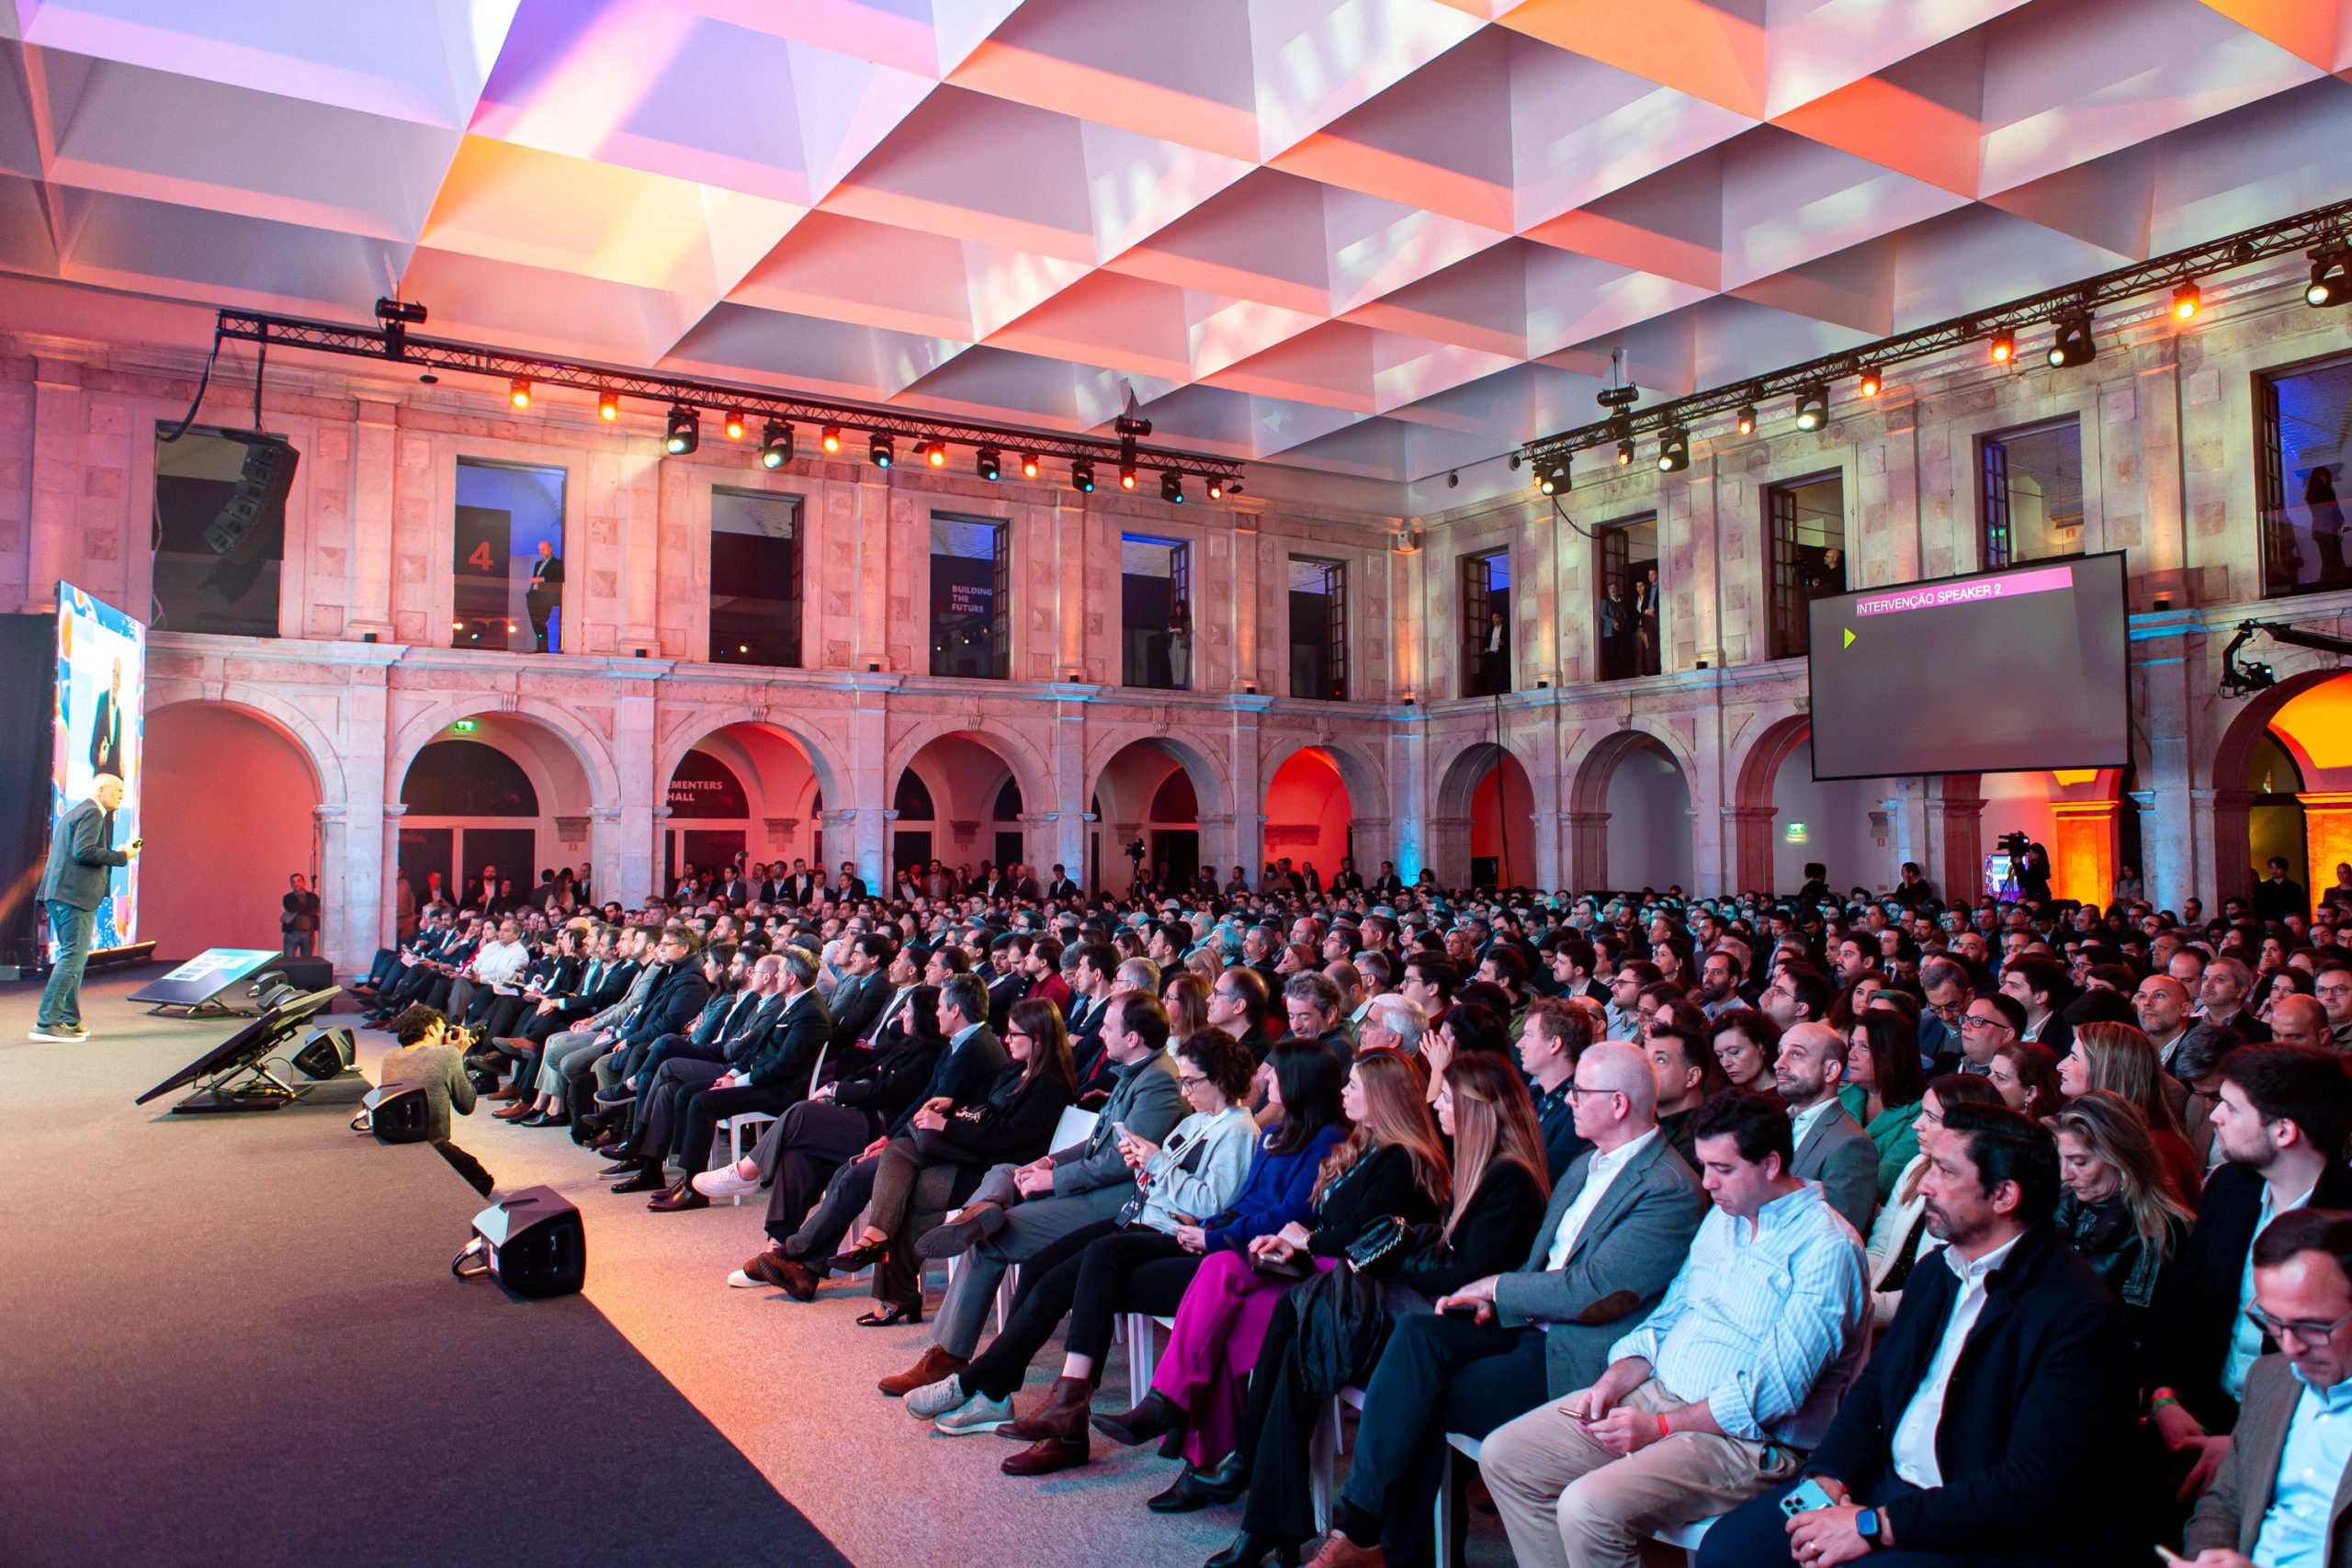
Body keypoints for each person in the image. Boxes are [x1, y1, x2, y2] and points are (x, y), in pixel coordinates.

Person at [1697, 1103, 2148, 1568]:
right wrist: (1828, 1474)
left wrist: (1874, 1525)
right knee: (1728, 1551)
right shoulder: (1939, 1271)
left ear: (2004, 1195)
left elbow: (2031, 1487)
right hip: (1886, 1488)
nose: (1925, 1184)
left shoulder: (2079, 1316)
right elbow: (1875, 1390)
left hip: (1974, 1525)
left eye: (1945, 1171)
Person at [1476, 1089, 1872, 1568]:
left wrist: (1660, 1426)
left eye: (1723, 1170)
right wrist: (1612, 1381)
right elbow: (1666, 1316)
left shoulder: (1827, 1248)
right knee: (1507, 1456)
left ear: (1770, 1164)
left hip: (1747, 1443)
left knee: (1589, 1506)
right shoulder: (1724, 1219)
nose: (1707, 1183)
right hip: (1659, 1394)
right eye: (1704, 1166)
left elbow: (1776, 1393)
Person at [1210, 1052, 1555, 1568]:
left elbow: (1468, 1277)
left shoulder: (1507, 1180)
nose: (1437, 1104)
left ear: (1476, 1111)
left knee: (1303, 1325)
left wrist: (1376, 1272)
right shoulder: (1477, 1169)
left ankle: (1267, 1508)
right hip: (1428, 1316)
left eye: (1447, 1099)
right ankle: (1266, 1508)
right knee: (1302, 1326)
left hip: (1459, 1325)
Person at [1088, 1047, 1449, 1509]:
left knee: (1220, 1302)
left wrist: (1302, 1238)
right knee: (1215, 1299)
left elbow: (1354, 1233)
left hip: (1343, 1292)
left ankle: (1184, 1430)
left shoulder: (1392, 1156)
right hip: (1313, 1271)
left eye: (1354, 1086)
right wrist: (1267, 1235)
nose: (1344, 1091)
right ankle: (1195, 1450)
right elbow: (1304, 1217)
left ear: (1383, 1096)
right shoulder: (1361, 1145)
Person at [909, 1026, 1260, 1443]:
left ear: (1219, 1078)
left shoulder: (1238, 1131)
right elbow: (1166, 1179)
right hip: (1142, 1218)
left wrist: (1158, 1162)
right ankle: (995, 1387)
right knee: (1042, 1265)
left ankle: (982, 1385)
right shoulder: (1202, 1120)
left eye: (1191, 1082)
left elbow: (1210, 1205)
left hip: (1173, 1237)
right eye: (1182, 1081)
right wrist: (1143, 1162)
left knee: (1069, 1278)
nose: (1185, 1091)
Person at [2149, 1046, 2352, 1493]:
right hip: (2201, 1413)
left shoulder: (2345, 1221)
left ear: (2283, 1131)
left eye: (2231, 1107)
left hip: (2304, 1444)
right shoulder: (2230, 1187)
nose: (2215, 1116)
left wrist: (2249, 1445)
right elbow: (2180, 1301)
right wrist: (2164, 1395)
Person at [2181, 1208, 2352, 1566]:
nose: (2290, 1347)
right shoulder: (2269, 1379)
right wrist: (2207, 1558)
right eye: (2272, 1322)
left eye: (2313, 1327)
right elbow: (2222, 1504)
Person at [2049, 1090, 2193, 1345]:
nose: (2065, 1175)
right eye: (2061, 1160)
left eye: (2080, 1162)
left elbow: (2142, 1325)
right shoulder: (2058, 1203)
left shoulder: (2160, 1226)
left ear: (2120, 1157)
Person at [1865, 1074, 2005, 1326]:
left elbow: (1938, 1293)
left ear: (1964, 1129)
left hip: (1917, 1322)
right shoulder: (1917, 1166)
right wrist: (1856, 1291)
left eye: (1931, 1118)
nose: (1917, 1125)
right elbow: (1879, 1249)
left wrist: (1863, 1307)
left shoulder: (1976, 1195)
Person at [32, 772, 138, 1043]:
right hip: (72, 896)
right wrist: (122, 855)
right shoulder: (92, 813)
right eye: (118, 791)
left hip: (62, 894)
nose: (122, 795)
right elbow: (84, 852)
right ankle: (47, 1022)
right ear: (101, 789)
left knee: (74, 957)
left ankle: (68, 1018)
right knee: (73, 958)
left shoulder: (77, 812)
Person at [1774, 1021, 1880, 1235]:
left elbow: (1835, 1237)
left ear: (1830, 1070)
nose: (1779, 1064)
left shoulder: (1851, 1145)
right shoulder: (1769, 1123)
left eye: (1796, 1055)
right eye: (1780, 1052)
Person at [379, 1003, 495, 1197]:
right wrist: (458, 1055)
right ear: (431, 1028)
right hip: (434, 1147)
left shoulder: (390, 1056)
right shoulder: (448, 1054)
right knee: (483, 1182)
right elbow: (467, 1105)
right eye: (443, 1029)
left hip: (397, 1145)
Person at [1839, 1010, 1926, 1202]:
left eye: (1864, 1048)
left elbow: (1882, 1183)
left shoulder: (1919, 1114)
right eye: (1852, 1045)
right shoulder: (1839, 1095)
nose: (1851, 1055)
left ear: (1893, 1055)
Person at [525, 538, 562, 652]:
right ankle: (540, 648)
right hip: (534, 595)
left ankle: (543, 649)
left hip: (546, 596)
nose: (541, 551)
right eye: (539, 549)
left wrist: (543, 579)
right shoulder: (538, 564)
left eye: (543, 549)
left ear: (550, 549)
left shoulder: (557, 563)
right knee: (535, 622)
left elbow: (559, 578)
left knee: (541, 621)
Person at [279, 873, 321, 958]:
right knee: (288, 960)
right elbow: (292, 907)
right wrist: (305, 907)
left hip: (308, 934)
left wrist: (297, 911)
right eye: (293, 882)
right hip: (292, 934)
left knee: (306, 961)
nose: (296, 884)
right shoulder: (288, 897)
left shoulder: (313, 897)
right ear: (291, 884)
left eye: (299, 881)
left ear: (304, 882)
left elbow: (314, 910)